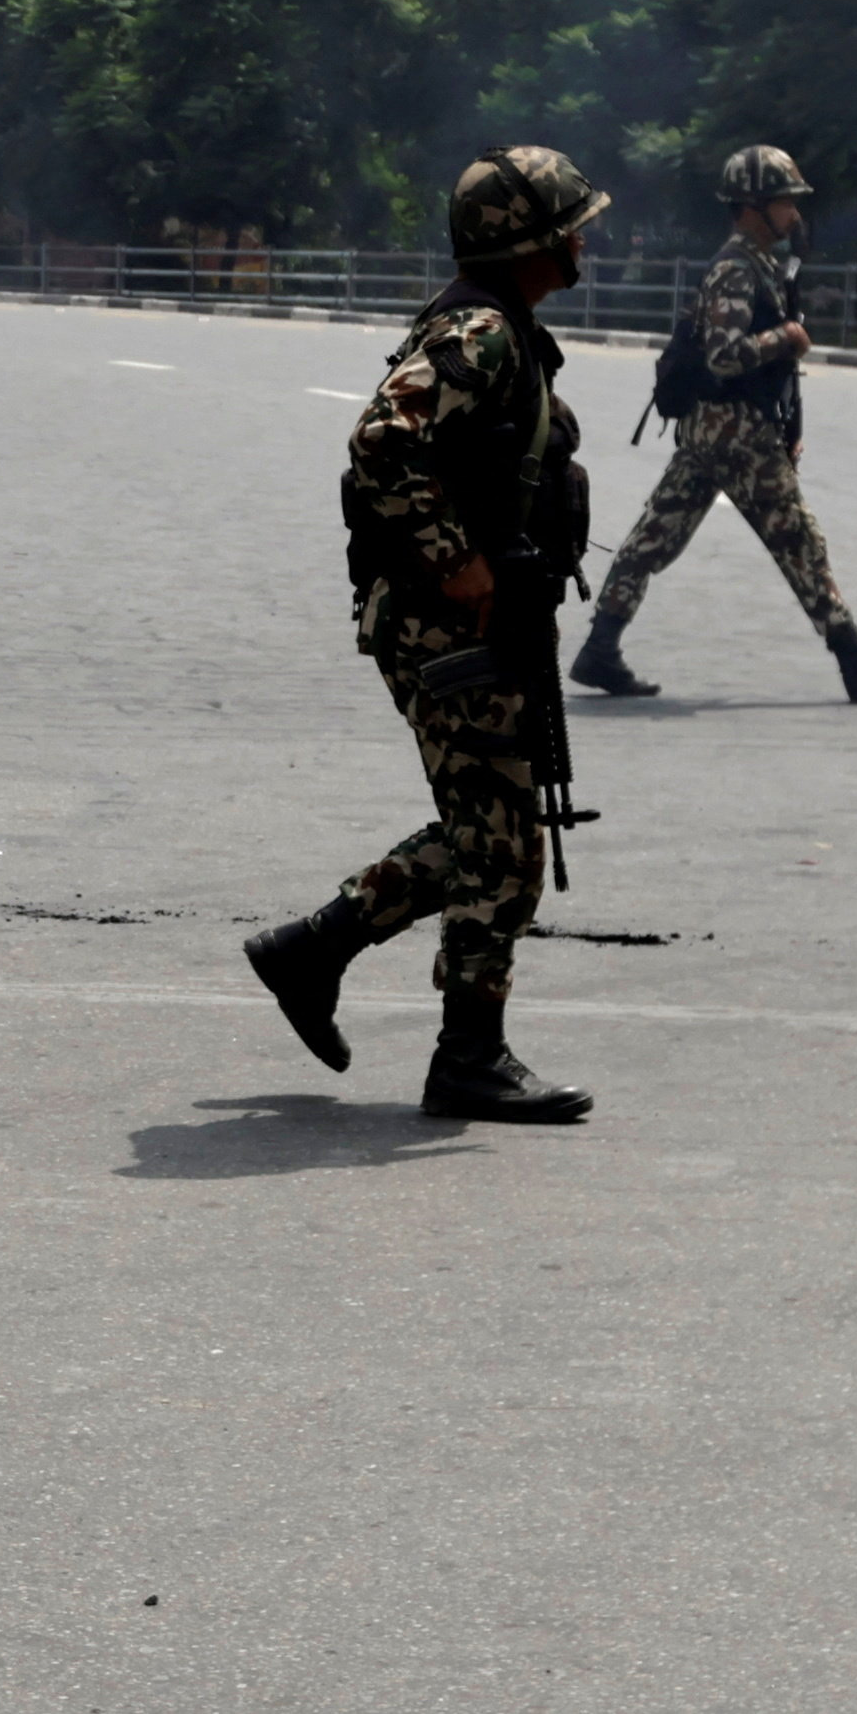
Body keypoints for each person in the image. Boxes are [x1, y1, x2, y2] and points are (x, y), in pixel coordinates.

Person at [242, 145, 612, 1124]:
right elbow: (379, 439)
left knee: (485, 829)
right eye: (570, 222)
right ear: (524, 238)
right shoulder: (480, 331)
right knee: (501, 847)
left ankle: (311, 948)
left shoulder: (507, 331)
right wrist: (459, 560)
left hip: (472, 618)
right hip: (446, 620)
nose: (584, 238)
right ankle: (467, 1057)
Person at [572, 145, 857, 706]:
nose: (794, 214)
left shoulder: (760, 266)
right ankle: (856, 660)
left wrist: (787, 418)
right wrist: (784, 338)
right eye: (786, 203)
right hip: (737, 437)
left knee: (651, 540)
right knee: (799, 541)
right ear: (752, 207)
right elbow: (724, 355)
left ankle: (600, 649)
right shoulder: (735, 271)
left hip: (716, 433)